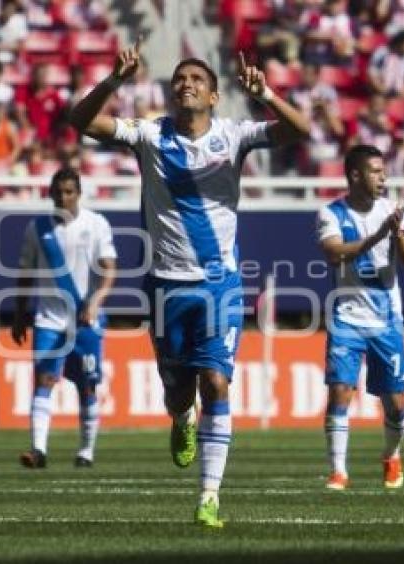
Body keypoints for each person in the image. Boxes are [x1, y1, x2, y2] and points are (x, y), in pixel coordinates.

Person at [69, 39, 310, 527]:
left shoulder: (234, 134)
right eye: (180, 79)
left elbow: (301, 130)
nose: (187, 84)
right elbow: (81, 123)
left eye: (197, 79)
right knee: (179, 394)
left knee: (217, 381)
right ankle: (181, 419)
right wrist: (114, 81)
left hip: (220, 283)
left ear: (215, 96)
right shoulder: (149, 135)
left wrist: (267, 94)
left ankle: (209, 496)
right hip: (164, 286)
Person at [315, 144, 404, 492]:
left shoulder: (393, 212)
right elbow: (334, 254)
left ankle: (392, 455)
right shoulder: (330, 213)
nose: (383, 177)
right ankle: (338, 471)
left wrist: (399, 231)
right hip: (346, 317)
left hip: (386, 320)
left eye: (384, 170)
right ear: (355, 175)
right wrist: (378, 235)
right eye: (375, 171)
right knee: (340, 391)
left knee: (397, 404)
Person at [12, 168, 117, 470]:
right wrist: (20, 315)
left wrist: (96, 302)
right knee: (44, 380)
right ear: (50, 193)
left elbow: (110, 268)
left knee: (87, 387)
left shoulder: (97, 224)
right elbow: (26, 275)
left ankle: (85, 451)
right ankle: (38, 451)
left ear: (79, 193)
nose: (63, 197)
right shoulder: (38, 229)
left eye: (69, 191)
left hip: (86, 320)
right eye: (58, 192)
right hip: (48, 318)